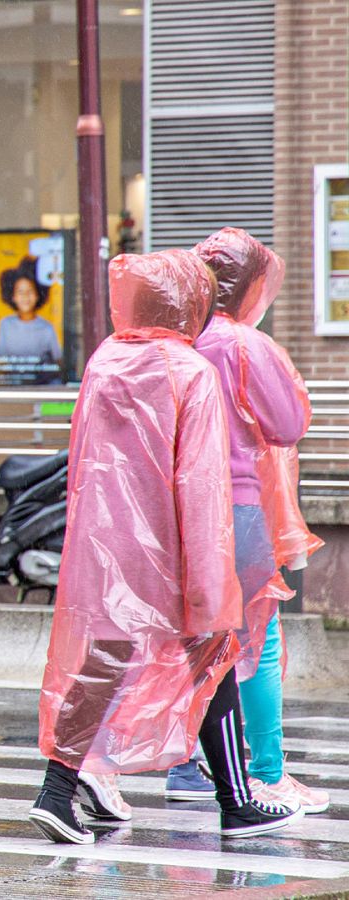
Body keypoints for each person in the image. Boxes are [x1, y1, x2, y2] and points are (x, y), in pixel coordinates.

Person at [27, 249, 303, 845]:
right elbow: (199, 486)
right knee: (219, 652)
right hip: (173, 551)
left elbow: (85, 464)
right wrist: (211, 587)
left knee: (104, 660)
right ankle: (237, 801)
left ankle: (57, 789)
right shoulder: (189, 371)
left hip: (108, 549)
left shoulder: (105, 361)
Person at [187, 228, 328, 814]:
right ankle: (264, 774)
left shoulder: (177, 339)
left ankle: (187, 766)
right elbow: (289, 422)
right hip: (241, 506)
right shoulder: (244, 344)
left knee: (193, 641)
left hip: (182, 509)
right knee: (254, 639)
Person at [0, 257, 62, 384]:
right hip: (11, 386)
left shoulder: (47, 328)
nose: (25, 297)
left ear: (38, 295)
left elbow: (59, 361)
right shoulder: (6, 324)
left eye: (30, 291)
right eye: (20, 292)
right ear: (13, 296)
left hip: (41, 386)